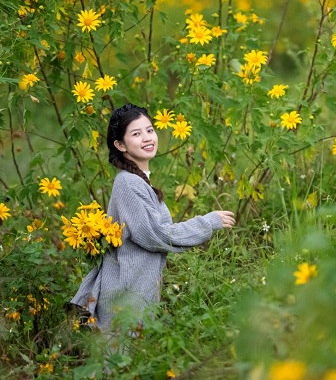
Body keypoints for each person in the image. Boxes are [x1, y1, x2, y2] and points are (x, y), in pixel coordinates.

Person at [70, 103, 235, 332]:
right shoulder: (128, 183)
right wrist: (207, 223)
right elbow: (156, 235)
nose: (147, 138)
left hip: (134, 294)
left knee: (131, 363)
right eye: (136, 134)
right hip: (124, 295)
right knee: (118, 363)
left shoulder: (139, 181)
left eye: (149, 130)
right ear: (120, 145)